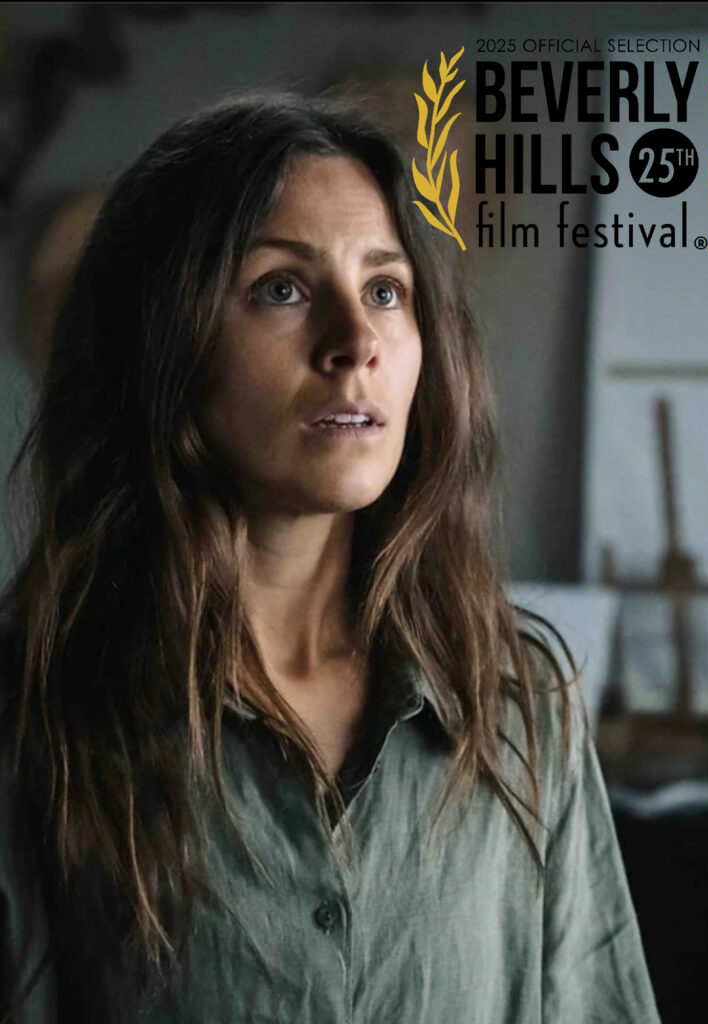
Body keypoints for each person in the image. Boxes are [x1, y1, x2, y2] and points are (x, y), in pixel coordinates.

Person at [0, 90, 661, 1023]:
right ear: (163, 337)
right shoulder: (38, 706)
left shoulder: (516, 698)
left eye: (386, 291)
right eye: (282, 288)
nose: (356, 343)